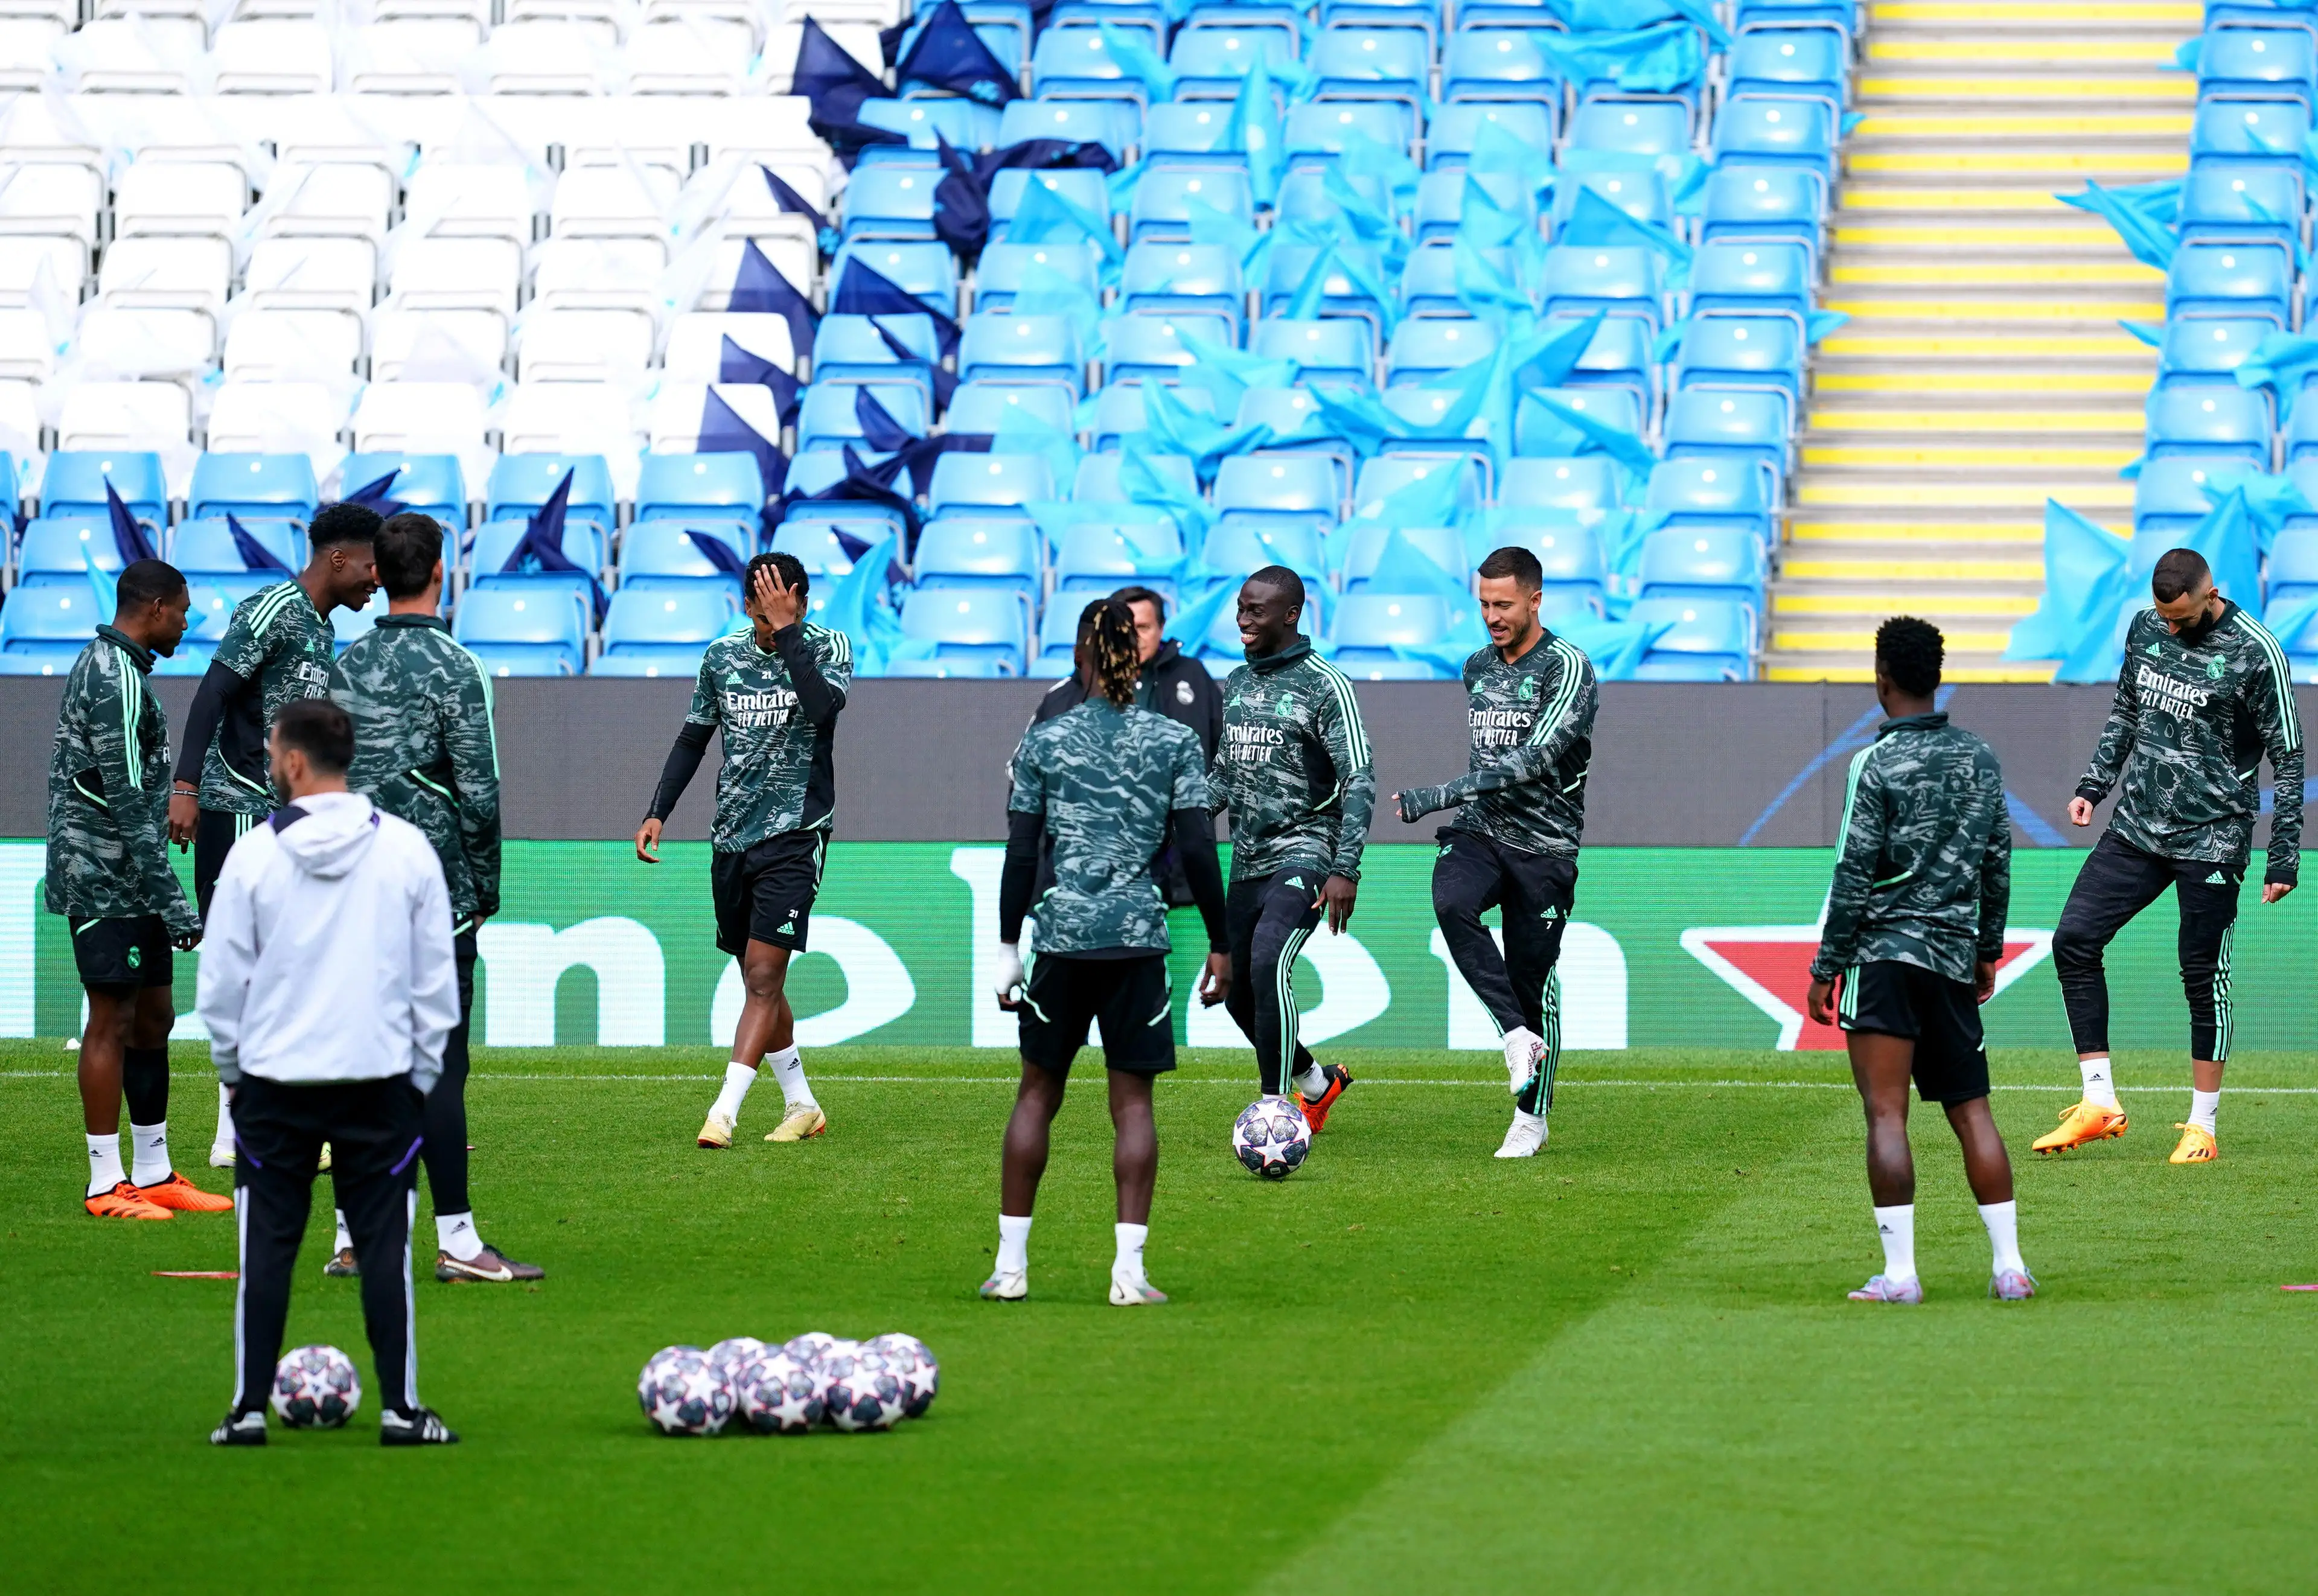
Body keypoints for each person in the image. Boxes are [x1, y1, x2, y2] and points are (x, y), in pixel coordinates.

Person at [199, 699, 461, 1447]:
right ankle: (402, 1412)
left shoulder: (253, 854)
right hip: (378, 1081)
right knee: (385, 1252)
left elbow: (221, 985)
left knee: (264, 1250)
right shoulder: (407, 849)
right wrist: (417, 1078)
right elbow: (435, 986)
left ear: (291, 760)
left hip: (273, 1085)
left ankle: (248, 1412)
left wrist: (235, 1073)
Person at [985, 599, 1231, 1307]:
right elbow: (1197, 849)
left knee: (1037, 1094)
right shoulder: (1172, 740)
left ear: (1079, 655)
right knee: (1133, 1105)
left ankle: (1010, 1269)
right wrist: (1221, 942)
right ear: (1136, 652)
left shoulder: (1046, 740)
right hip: (1136, 941)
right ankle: (1129, 1275)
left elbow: (1023, 852)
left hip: (1062, 940)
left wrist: (1008, 947)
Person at [328, 511, 539, 1284]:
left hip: (351, 892)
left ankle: (353, 1238)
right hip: (433, 897)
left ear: (376, 574)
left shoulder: (344, 665)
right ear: (442, 572)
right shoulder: (459, 667)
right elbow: (479, 793)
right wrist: (484, 886)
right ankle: (457, 1242)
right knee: (441, 1068)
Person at [2038, 548, 2301, 1164]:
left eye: (2181, 618)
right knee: (2074, 940)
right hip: (2137, 827)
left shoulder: (2256, 651)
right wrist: (2094, 786)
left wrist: (2283, 855)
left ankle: (2202, 1126)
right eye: (2164, 617)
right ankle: (2099, 1101)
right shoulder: (2146, 627)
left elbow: (2288, 757)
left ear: (2213, 594)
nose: (2171, 628)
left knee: (2201, 973)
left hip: (2213, 836)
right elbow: (2127, 711)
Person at [1804, 619, 2031, 1304]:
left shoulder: (1873, 763)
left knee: (1886, 1115)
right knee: (1974, 1113)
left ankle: (1901, 1276)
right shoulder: (1981, 758)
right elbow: (1997, 862)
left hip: (1883, 960)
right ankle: (2010, 1268)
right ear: (1936, 676)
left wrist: (1826, 966)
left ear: (1882, 678)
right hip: (1953, 958)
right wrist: (1986, 950)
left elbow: (1853, 871)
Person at [170, 500, 381, 1170]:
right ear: (338, 558)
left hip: (284, 819)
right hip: (238, 808)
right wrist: (186, 786)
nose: (377, 581)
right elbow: (213, 693)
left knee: (288, 965)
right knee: (246, 968)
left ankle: (276, 1122)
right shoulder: (273, 609)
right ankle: (234, 1132)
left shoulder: (320, 626)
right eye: (370, 567)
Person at [636, 552, 851, 1149]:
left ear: (802, 604)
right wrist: (658, 810)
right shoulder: (721, 657)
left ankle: (722, 1114)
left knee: (762, 976)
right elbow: (693, 739)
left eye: (781, 616)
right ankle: (802, 1104)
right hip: (731, 837)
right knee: (760, 981)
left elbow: (822, 710)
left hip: (797, 834)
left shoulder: (828, 647)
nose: (769, 629)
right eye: (761, 618)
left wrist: (788, 633)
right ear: (745, 606)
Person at [1394, 546, 1598, 1160]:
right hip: (1481, 829)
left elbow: (1535, 759)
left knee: (1531, 982)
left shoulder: (1569, 667)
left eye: (1503, 604)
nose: (1491, 616)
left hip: (1545, 846)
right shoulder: (1477, 666)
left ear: (1535, 600)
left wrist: (1441, 793)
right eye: (1484, 603)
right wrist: (1461, 803)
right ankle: (1516, 1037)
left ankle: (1532, 1118)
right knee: (1451, 902)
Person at [47, 558, 229, 1220]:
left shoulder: (126, 670)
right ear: (155, 608)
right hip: (102, 876)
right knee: (112, 1019)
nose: (186, 623)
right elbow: (124, 801)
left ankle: (153, 1171)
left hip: (134, 875)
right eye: (182, 611)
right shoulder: (114, 677)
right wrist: (176, 900)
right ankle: (104, 1183)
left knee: (155, 1016)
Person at [1206, 567, 1372, 1128]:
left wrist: (1345, 867)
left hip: (1308, 850)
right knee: (1238, 994)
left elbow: (1359, 778)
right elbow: (1225, 776)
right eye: (1240, 607)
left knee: (1269, 959)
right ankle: (1316, 1085)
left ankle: (1275, 1111)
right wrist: (1178, 817)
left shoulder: (1326, 684)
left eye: (1255, 611)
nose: (1243, 619)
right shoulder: (1238, 681)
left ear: (1291, 615)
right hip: (1247, 859)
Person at [1030, 584, 1224, 915]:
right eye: (1124, 630)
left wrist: (1197, 816)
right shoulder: (1068, 694)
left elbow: (1228, 760)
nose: (1134, 639)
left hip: (1179, 868)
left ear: (1162, 628)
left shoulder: (1193, 678)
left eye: (1143, 628)